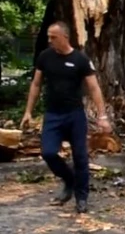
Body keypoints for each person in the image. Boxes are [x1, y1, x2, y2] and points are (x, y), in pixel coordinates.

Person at [20, 21, 112, 214]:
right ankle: (69, 180)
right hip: (53, 114)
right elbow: (36, 84)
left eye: (53, 37)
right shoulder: (45, 57)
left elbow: (94, 87)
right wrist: (28, 111)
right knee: (48, 153)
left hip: (74, 115)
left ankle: (82, 198)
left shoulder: (80, 59)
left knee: (80, 157)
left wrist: (102, 115)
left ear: (64, 37)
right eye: (48, 37)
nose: (49, 40)